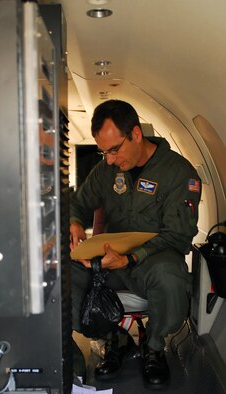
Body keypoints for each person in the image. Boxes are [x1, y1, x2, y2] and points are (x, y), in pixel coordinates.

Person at [70, 99, 201, 389]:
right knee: (62, 277)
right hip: (107, 262)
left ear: (136, 134)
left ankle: (153, 346)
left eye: (115, 149)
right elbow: (78, 202)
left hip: (151, 262)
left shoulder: (179, 174)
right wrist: (75, 222)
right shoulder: (106, 171)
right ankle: (111, 338)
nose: (110, 159)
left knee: (170, 275)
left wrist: (130, 259)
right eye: (104, 152)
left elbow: (178, 235)